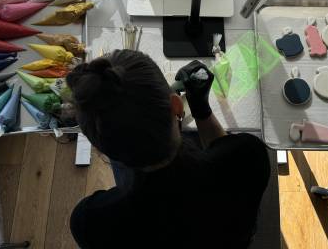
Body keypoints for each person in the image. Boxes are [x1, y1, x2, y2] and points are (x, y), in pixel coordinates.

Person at [67, 49, 270, 248]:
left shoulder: (90, 223)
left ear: (97, 147)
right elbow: (226, 152)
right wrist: (201, 109)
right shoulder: (249, 158)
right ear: (177, 106)